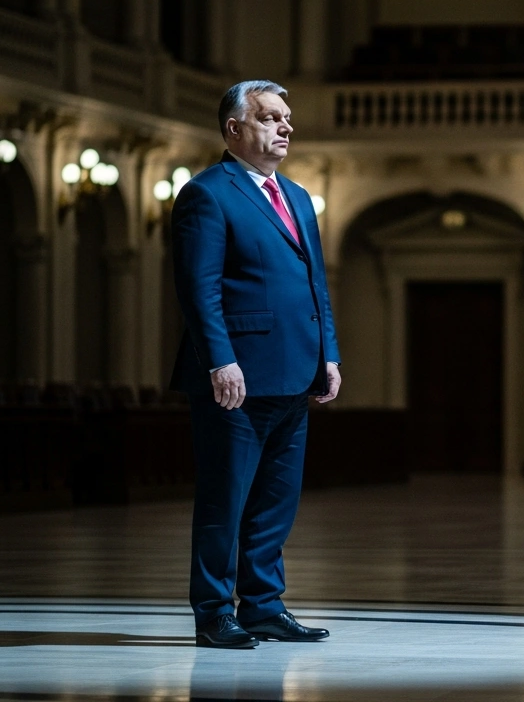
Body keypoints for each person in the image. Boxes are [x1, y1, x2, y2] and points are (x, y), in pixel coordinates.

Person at [170, 80, 342, 649]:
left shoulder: (295, 195)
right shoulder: (207, 194)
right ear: (234, 129)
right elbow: (200, 290)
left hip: (295, 372)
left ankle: (264, 605)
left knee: (275, 501)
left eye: (287, 118)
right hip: (235, 380)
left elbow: (317, 282)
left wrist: (329, 354)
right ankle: (215, 613)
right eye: (270, 118)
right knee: (226, 500)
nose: (285, 127)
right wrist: (220, 361)